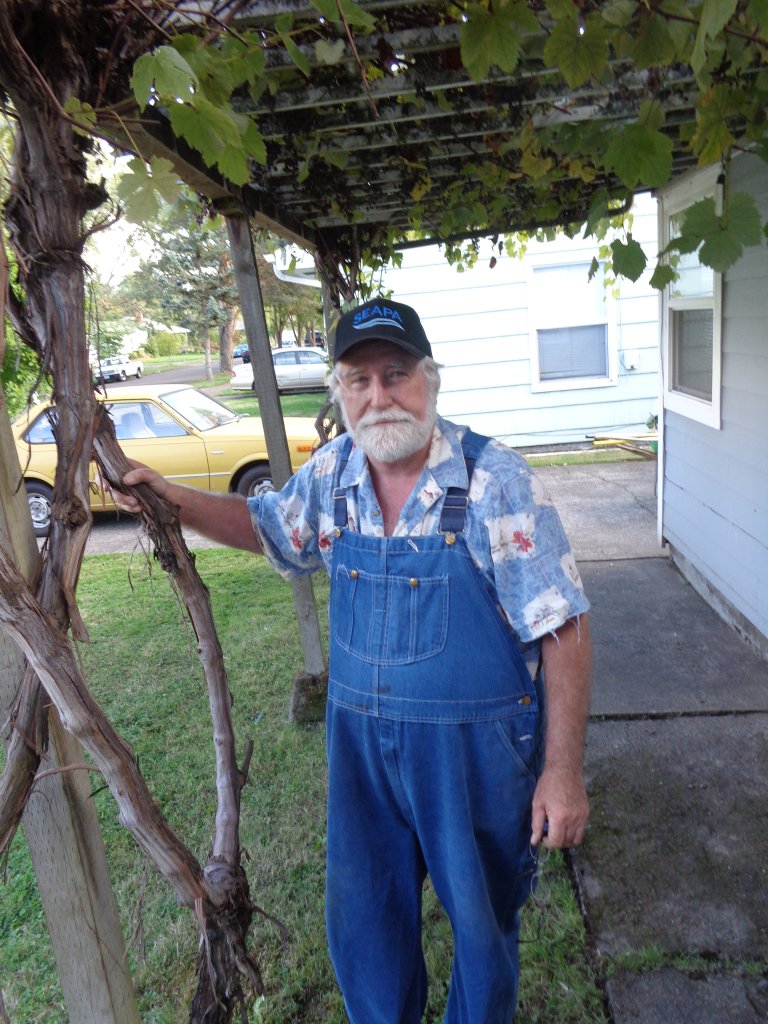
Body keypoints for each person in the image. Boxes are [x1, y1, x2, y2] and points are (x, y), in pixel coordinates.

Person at [110, 298, 591, 1024]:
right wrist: (174, 500)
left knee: (482, 928)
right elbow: (268, 526)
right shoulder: (333, 475)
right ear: (339, 391)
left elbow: (565, 629)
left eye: (395, 374)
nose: (378, 396)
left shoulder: (497, 482)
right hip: (362, 754)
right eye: (358, 380)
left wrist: (562, 772)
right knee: (366, 927)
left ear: (430, 379)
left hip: (473, 760)